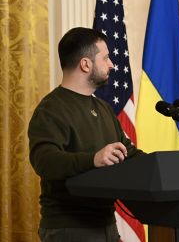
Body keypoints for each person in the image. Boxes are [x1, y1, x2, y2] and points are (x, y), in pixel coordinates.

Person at [28, 27, 144, 242]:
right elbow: (43, 160)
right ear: (85, 64)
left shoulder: (103, 108)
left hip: (107, 225)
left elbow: (128, 153)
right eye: (106, 58)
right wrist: (93, 159)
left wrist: (165, 164)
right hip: (68, 229)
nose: (112, 64)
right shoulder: (51, 108)